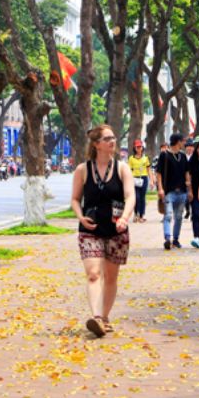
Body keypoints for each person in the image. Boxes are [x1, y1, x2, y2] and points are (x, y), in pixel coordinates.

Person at [71, 124, 136, 337]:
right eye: (107, 138)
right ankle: (97, 317)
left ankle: (105, 317)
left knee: (110, 277)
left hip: (116, 230)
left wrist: (125, 218)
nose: (112, 142)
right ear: (97, 144)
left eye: (113, 138)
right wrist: (80, 216)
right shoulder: (83, 170)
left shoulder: (122, 168)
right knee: (93, 274)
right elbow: (75, 199)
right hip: (90, 229)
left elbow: (130, 196)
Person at [156, 133, 192, 250]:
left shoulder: (183, 156)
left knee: (179, 217)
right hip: (169, 192)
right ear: (178, 142)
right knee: (168, 215)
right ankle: (167, 238)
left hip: (182, 192)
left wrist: (189, 189)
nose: (184, 144)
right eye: (183, 141)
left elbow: (187, 172)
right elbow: (159, 173)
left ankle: (175, 239)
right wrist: (160, 188)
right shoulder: (164, 155)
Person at [128, 140, 151, 223]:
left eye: (140, 147)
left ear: (142, 147)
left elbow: (149, 170)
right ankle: (136, 214)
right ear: (134, 148)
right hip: (134, 179)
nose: (139, 148)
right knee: (136, 197)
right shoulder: (131, 158)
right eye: (137, 147)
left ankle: (141, 215)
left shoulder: (145, 158)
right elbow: (129, 170)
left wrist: (151, 180)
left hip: (144, 178)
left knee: (142, 198)